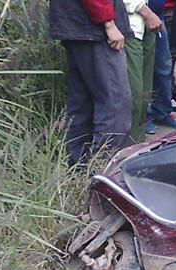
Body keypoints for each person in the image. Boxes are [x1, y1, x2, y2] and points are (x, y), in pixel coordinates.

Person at [49, 0, 133, 167]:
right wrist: (108, 23)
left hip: (77, 25)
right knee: (115, 104)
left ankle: (78, 171)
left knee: (82, 104)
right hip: (94, 28)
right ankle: (102, 171)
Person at [123, 0, 162, 143]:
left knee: (145, 92)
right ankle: (127, 146)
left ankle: (138, 142)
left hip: (147, 25)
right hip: (128, 26)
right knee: (134, 93)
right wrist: (146, 12)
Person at [145, 0, 176, 134]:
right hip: (137, 18)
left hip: (158, 15)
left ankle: (162, 112)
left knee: (164, 66)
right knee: (144, 70)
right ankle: (143, 116)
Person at [162, 0, 176, 112]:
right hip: (166, 9)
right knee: (168, 56)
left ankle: (171, 92)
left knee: (172, 54)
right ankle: (167, 95)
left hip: (175, 9)